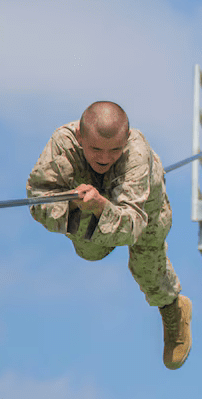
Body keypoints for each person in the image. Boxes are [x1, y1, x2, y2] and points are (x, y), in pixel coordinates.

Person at [27, 101, 192, 369]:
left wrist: (101, 207)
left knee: (146, 267)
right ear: (80, 136)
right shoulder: (63, 143)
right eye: (95, 149)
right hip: (87, 205)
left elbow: (133, 226)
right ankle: (93, 227)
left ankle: (173, 308)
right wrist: (74, 207)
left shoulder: (136, 153)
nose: (104, 158)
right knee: (90, 252)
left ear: (125, 140)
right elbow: (36, 200)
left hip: (143, 207)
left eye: (115, 150)